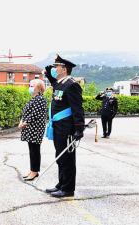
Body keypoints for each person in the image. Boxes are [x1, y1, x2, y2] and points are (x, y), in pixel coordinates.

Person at [44, 55, 85, 198]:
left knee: (67, 158)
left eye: (57, 67)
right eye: (54, 67)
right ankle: (61, 183)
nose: (55, 69)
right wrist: (49, 71)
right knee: (60, 156)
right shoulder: (60, 83)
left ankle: (68, 189)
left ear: (64, 69)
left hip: (67, 128)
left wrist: (79, 129)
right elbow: (52, 80)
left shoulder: (72, 84)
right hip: (58, 127)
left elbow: (78, 109)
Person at [19, 79, 47, 181]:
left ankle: (35, 171)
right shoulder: (33, 99)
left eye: (32, 86)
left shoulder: (40, 99)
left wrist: (24, 123)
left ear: (39, 88)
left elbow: (35, 115)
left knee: (35, 150)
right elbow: (26, 112)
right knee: (32, 150)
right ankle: (32, 170)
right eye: (30, 85)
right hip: (30, 128)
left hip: (35, 129)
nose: (30, 88)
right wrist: (21, 121)